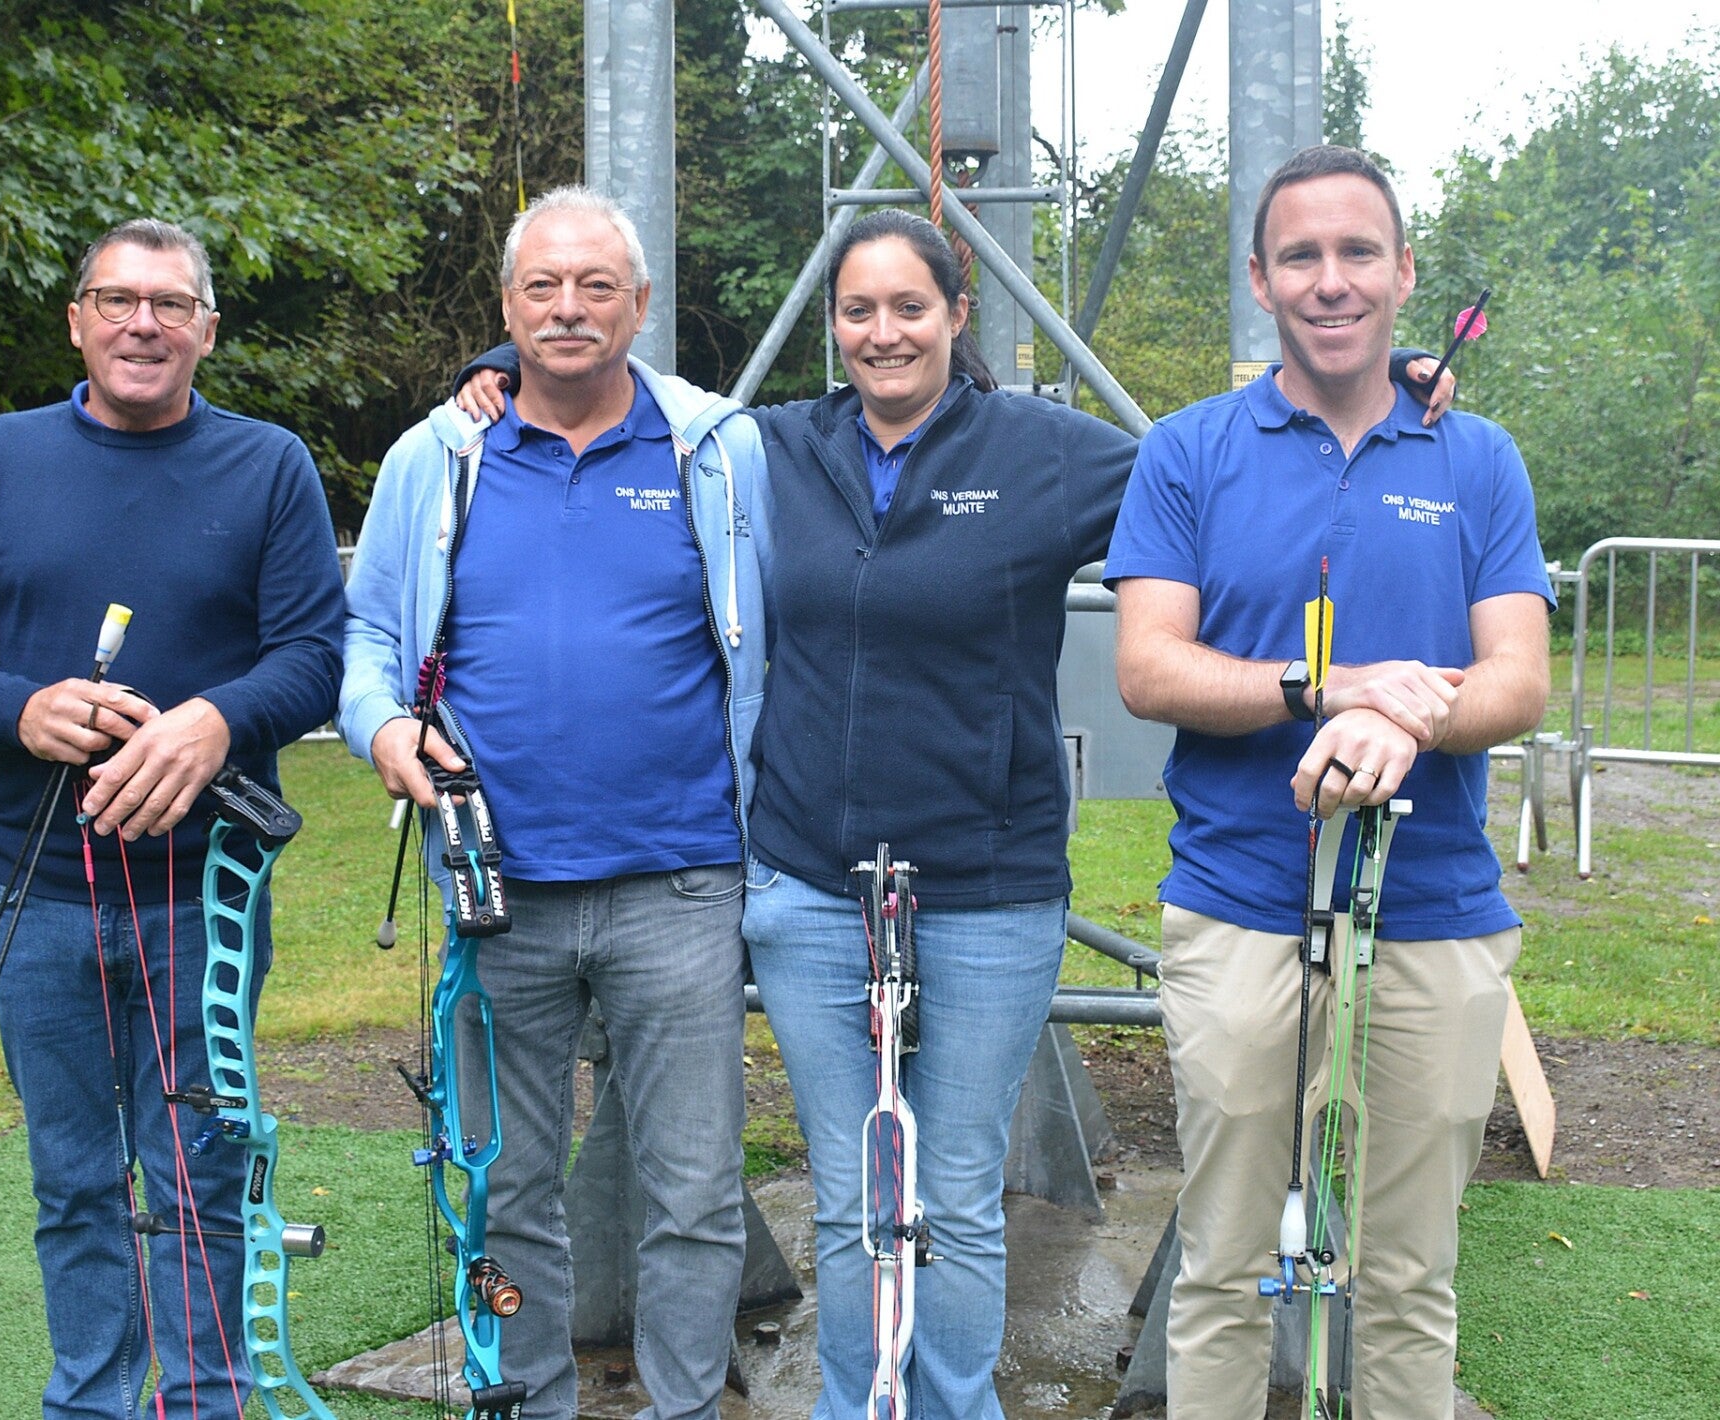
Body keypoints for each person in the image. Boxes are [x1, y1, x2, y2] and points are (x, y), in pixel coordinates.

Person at [453, 205, 1455, 1420]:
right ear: (833, 327)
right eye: (858, 311)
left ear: (955, 313)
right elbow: (612, 389)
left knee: (961, 1195)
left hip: (991, 887)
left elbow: (1217, 466)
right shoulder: (769, 448)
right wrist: (500, 366)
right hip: (810, 886)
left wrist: (1368, 380)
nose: (884, 333)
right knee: (852, 1195)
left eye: (909, 307)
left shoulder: (1047, 451)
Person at [1103, 145, 1553, 1420]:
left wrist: (1414, 716)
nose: (1331, 279)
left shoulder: (1478, 458)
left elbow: (1518, 679)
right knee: (1224, 1265)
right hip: (1239, 909)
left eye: (1359, 251)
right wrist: (1334, 688)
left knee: (1410, 1278)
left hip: (1435, 915)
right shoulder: (1189, 450)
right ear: (1260, 279)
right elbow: (1148, 666)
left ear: (1404, 272)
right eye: (1299, 255)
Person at [338, 185, 769, 1420]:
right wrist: (383, 725)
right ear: (508, 306)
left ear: (641, 304)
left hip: (682, 884)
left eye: (596, 286)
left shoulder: (716, 451)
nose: (569, 308)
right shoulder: (439, 458)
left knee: (694, 1193)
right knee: (504, 1188)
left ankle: (685, 1405)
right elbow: (367, 637)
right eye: (543, 286)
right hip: (496, 891)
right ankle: (527, 1400)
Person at [0, 217, 345, 1419]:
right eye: (117, 299)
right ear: (77, 321)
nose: (142, 323)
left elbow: (314, 656)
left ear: (208, 328)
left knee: (200, 1175)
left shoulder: (269, 464)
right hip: (38, 894)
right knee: (74, 1184)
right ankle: (91, 1400)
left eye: (170, 303)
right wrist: (21, 707)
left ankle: (203, 1402)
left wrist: (215, 719)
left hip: (206, 901)